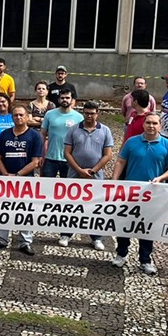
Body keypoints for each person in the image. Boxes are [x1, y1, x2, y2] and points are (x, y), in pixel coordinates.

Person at [112, 113, 168, 275]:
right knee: (125, 224)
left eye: (155, 123)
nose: (151, 126)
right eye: (148, 123)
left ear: (160, 126)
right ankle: (121, 253)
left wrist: (161, 178)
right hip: (131, 192)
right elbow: (121, 161)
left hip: (153, 194)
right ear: (143, 125)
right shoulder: (132, 142)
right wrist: (114, 180)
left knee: (147, 227)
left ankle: (145, 259)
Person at [0, 104, 44, 255]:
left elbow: (35, 161)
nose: (19, 117)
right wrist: (6, 175)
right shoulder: (5, 134)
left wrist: (18, 176)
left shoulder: (34, 136)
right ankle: (1, 240)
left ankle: (25, 242)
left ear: (27, 117)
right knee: (4, 209)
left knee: (25, 210)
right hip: (6, 179)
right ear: (12, 117)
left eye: (21, 115)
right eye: (15, 115)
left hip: (25, 180)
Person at [62, 100, 113, 251]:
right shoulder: (73, 130)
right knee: (71, 206)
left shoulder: (105, 130)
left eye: (92, 113)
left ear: (97, 114)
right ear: (83, 113)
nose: (89, 116)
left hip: (95, 177)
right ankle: (66, 234)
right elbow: (67, 153)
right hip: (74, 174)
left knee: (95, 207)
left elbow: (107, 155)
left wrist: (93, 170)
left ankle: (96, 237)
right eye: (86, 113)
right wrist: (79, 170)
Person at [40, 89, 83, 180]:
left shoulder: (79, 117)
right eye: (62, 98)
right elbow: (43, 134)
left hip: (70, 159)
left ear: (72, 100)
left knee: (68, 188)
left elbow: (81, 139)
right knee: (46, 186)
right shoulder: (49, 114)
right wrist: (40, 154)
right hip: (51, 157)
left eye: (67, 98)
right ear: (59, 100)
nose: (65, 100)